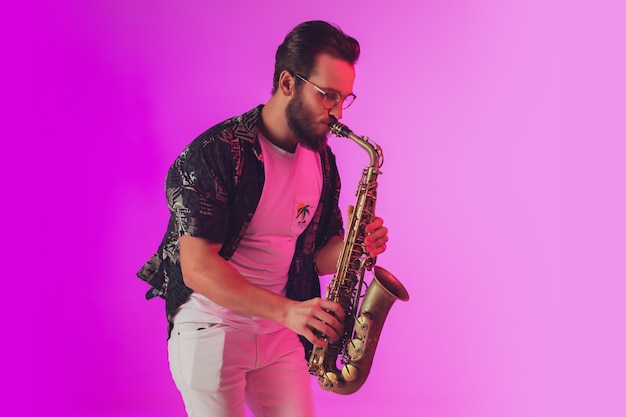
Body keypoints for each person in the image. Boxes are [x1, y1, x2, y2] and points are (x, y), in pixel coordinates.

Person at [137, 20, 389, 417]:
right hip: (211, 329)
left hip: (280, 333)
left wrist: (354, 249)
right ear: (287, 83)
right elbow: (198, 268)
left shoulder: (323, 161)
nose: (337, 112)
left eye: (344, 99)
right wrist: (288, 311)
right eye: (327, 96)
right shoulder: (215, 154)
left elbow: (316, 252)